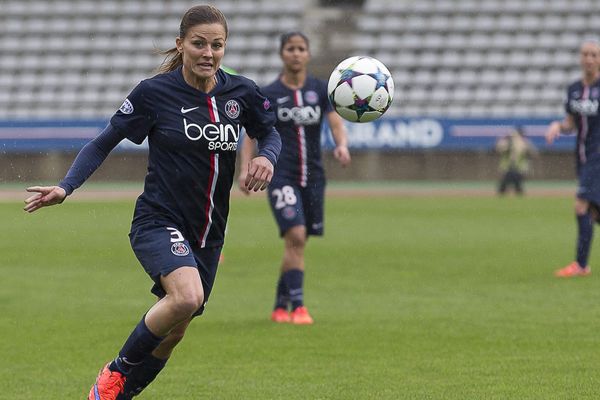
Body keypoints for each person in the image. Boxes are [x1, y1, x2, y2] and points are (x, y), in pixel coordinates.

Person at [23, 5, 281, 400]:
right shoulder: (154, 93)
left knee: (175, 330)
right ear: (181, 45)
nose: (208, 53)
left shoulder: (241, 92)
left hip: (209, 233)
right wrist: (66, 186)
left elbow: (270, 133)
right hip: (158, 220)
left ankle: (109, 397)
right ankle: (116, 371)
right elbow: (103, 141)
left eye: (217, 45)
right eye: (199, 44)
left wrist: (266, 156)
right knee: (187, 296)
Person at [238, 31, 351, 324]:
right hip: (281, 175)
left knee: (297, 243)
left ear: (308, 54)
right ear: (282, 54)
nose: (296, 53)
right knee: (296, 235)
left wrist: (341, 146)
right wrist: (245, 168)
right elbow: (251, 133)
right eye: (291, 48)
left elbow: (336, 123)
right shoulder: (269, 94)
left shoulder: (319, 89)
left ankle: (279, 304)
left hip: (314, 176)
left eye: (301, 48)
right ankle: (298, 307)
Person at [545, 38, 600, 278]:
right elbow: (571, 122)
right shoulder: (574, 89)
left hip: (598, 157)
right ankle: (581, 265)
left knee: (581, 203)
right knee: (594, 213)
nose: (589, 59)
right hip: (583, 156)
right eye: (585, 54)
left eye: (594, 55)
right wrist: (559, 126)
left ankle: (580, 265)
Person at [495, 126, 537, 196]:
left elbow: (532, 152)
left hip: (519, 169)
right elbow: (498, 148)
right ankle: (515, 193)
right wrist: (508, 141)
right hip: (507, 169)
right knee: (508, 185)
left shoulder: (524, 142)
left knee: (514, 182)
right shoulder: (507, 141)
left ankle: (516, 193)